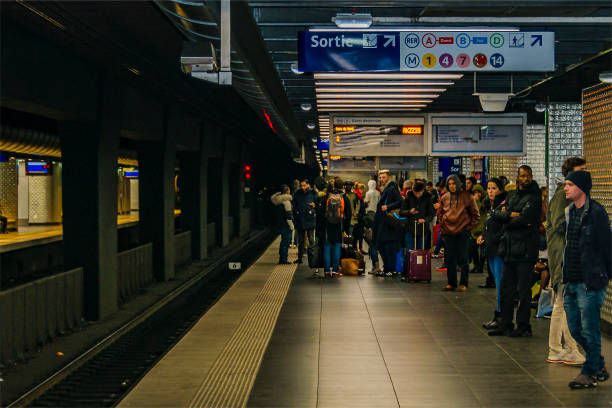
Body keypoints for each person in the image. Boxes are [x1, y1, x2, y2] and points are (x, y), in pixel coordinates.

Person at [562, 170, 611, 389]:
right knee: (574, 328)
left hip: (589, 281)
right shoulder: (570, 211)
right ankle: (598, 364)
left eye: (570, 184)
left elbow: (607, 246)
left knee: (590, 329)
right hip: (571, 279)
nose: (566, 188)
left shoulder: (596, 213)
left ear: (581, 187)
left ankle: (589, 372)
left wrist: (605, 276)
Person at [488, 165, 542, 337]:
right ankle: (505, 323)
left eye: (528, 176)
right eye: (522, 176)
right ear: (517, 177)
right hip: (509, 249)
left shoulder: (534, 198)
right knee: (506, 289)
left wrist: (509, 217)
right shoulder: (511, 195)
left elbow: (526, 219)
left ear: (531, 177)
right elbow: (496, 213)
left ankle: (524, 326)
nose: (525, 179)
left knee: (524, 291)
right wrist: (511, 215)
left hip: (525, 251)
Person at [545, 157, 587, 366]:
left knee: (561, 304)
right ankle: (570, 349)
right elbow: (561, 224)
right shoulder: (565, 194)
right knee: (566, 303)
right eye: (581, 170)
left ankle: (556, 349)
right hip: (564, 255)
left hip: (563, 254)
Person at [439, 175, 480, 291]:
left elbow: (476, 215)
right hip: (448, 233)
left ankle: (464, 283)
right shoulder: (444, 197)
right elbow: (440, 214)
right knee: (450, 259)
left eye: (454, 183)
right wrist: (443, 228)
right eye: (449, 184)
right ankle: (451, 283)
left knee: (463, 259)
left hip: (463, 233)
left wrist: (468, 228)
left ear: (458, 184)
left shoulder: (468, 197)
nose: (452, 186)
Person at [478, 178, 507, 329]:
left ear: (500, 190)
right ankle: (499, 314)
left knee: (501, 284)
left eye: (494, 188)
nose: (490, 191)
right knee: (498, 282)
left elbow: (503, 229)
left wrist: (491, 238)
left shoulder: (503, 206)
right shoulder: (491, 206)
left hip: (499, 250)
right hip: (491, 248)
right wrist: (483, 236)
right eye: (488, 188)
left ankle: (502, 315)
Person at [399, 181, 434, 281]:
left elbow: (431, 213)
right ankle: (407, 274)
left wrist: (425, 220)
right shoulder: (409, 197)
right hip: (410, 228)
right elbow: (401, 212)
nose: (417, 195)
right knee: (409, 252)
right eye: (415, 192)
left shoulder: (428, 198)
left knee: (421, 252)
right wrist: (410, 212)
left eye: (419, 193)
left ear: (423, 190)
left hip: (423, 229)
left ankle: (420, 273)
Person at [372, 170, 403, 277]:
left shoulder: (392, 188)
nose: (381, 180)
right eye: (380, 178)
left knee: (389, 248)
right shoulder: (386, 189)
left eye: (384, 177)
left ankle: (391, 269)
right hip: (385, 224)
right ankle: (387, 269)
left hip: (389, 224)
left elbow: (400, 201)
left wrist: (388, 207)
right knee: (384, 247)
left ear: (388, 177)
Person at [321, 178, 352, 277]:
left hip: (327, 225)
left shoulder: (327, 196)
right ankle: (335, 271)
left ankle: (326, 271)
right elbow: (349, 214)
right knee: (337, 247)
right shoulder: (344, 197)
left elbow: (321, 212)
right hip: (339, 225)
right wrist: (346, 229)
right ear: (342, 187)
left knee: (327, 247)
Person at [292, 179, 318, 264]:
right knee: (301, 240)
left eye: (304, 185)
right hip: (300, 220)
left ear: (308, 185)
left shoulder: (313, 193)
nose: (302, 187)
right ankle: (300, 258)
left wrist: (314, 209)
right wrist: (296, 212)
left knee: (311, 239)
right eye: (301, 185)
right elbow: (294, 205)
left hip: (310, 219)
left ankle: (313, 258)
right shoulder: (297, 194)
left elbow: (318, 205)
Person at [270, 185, 294, 264]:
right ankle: (284, 259)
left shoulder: (277, 201)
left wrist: (279, 193)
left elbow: (273, 197)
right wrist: (291, 226)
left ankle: (282, 258)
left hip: (280, 223)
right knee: (286, 242)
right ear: (287, 191)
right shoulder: (286, 202)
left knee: (283, 241)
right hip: (286, 224)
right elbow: (289, 216)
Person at [365, 179, 381, 274]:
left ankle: (375, 265)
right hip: (377, 216)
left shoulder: (368, 193)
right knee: (374, 242)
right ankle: (376, 265)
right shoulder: (378, 193)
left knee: (371, 243)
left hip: (369, 216)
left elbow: (366, 205)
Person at [469, 184, 486, 274]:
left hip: (482, 230)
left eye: (479, 192)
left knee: (483, 251)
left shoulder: (484, 201)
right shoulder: (472, 201)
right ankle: (476, 265)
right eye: (475, 192)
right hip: (474, 230)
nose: (477, 194)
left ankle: (480, 267)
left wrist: (477, 200)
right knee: (473, 249)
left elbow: (479, 210)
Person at [354, 183, 367, 255]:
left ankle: (360, 248)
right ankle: (356, 249)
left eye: (363, 189)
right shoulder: (357, 196)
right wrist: (365, 204)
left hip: (361, 217)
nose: (362, 190)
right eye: (360, 189)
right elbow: (360, 206)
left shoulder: (361, 197)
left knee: (361, 234)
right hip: (357, 217)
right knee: (356, 234)